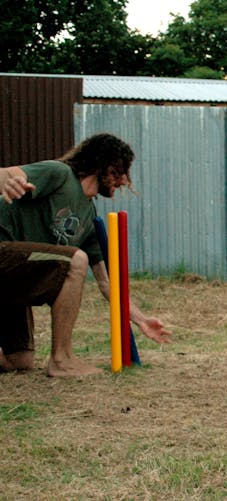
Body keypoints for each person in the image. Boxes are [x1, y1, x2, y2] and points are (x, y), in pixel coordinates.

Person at [0, 133, 171, 377]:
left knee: (20, 361)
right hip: (3, 253)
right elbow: (8, 174)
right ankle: (62, 359)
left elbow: (105, 282)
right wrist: (9, 182)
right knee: (75, 260)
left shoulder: (89, 217)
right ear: (103, 164)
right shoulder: (59, 174)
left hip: (15, 279)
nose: (123, 181)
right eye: (120, 171)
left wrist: (141, 319)